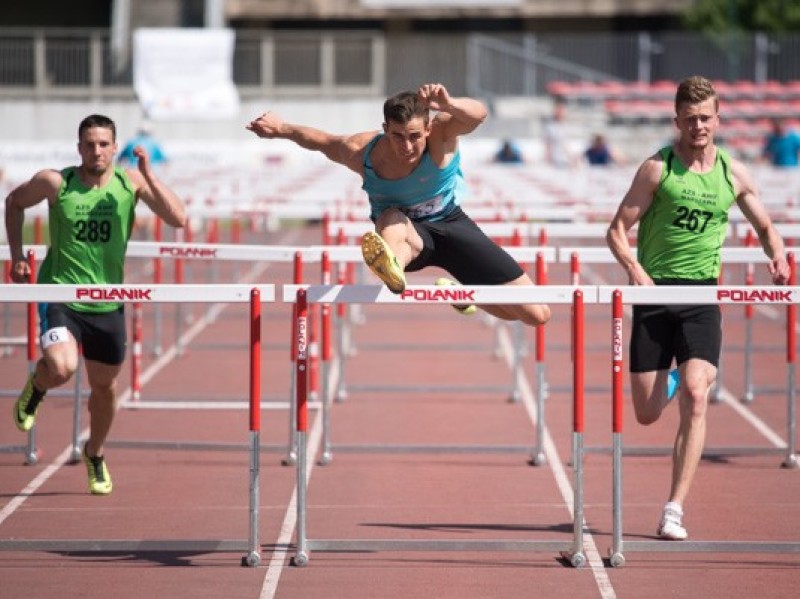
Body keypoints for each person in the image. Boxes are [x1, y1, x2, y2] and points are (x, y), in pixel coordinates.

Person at [606, 76, 789, 540]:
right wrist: (635, 269)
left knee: (697, 393)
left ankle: (673, 508)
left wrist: (778, 254)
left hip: (703, 297)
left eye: (705, 118)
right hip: (653, 296)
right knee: (647, 413)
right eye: (689, 119)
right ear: (677, 122)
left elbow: (766, 226)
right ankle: (673, 377)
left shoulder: (733, 173)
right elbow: (615, 231)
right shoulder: (656, 169)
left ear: (718, 120)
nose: (698, 126)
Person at [246, 83, 550, 327]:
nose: (406, 146)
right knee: (392, 217)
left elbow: (478, 115)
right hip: (408, 236)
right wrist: (280, 129)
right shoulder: (361, 152)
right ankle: (392, 266)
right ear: (384, 128)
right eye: (397, 136)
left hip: (452, 225)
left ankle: (456, 292)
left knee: (536, 315)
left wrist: (449, 104)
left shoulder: (442, 136)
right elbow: (319, 140)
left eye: (415, 136)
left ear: (429, 129)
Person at [5, 114, 187, 495]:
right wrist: (18, 255)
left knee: (104, 388)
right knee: (62, 366)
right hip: (61, 295)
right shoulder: (57, 182)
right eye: (89, 144)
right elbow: (13, 202)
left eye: (103, 144)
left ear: (114, 147)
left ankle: (95, 452)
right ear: (79, 149)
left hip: (107, 304)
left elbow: (179, 219)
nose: (96, 151)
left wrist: (148, 176)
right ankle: (37, 386)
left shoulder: (129, 183)